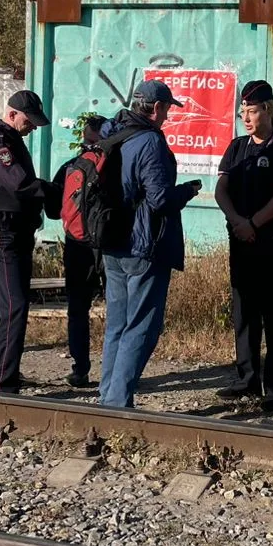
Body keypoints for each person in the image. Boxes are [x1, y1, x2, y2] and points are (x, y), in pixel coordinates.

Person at [99, 79, 202, 409]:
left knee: (117, 325)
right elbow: (160, 200)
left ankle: (107, 396)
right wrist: (187, 191)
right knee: (141, 326)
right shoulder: (150, 142)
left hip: (112, 242)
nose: (168, 116)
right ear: (156, 108)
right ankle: (117, 403)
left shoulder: (112, 133)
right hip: (144, 245)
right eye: (167, 109)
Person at [213, 80, 273, 413]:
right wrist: (238, 221)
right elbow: (221, 189)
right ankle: (246, 378)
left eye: (252, 111)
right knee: (244, 313)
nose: (246, 118)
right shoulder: (237, 147)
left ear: (267, 110)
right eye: (243, 112)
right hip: (241, 242)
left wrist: (253, 223)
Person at [0, 90, 57, 393]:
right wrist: (52, 190)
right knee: (14, 308)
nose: (32, 127)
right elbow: (19, 184)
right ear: (11, 115)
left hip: (14, 232)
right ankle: (3, 385)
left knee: (3, 308)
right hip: (5, 234)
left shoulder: (9, 139)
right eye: (29, 121)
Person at [48, 114, 108, 390]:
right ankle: (114, 373)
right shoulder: (114, 167)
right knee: (117, 309)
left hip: (77, 244)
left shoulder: (70, 166)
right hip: (108, 245)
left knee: (78, 309)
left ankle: (80, 370)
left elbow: (52, 210)